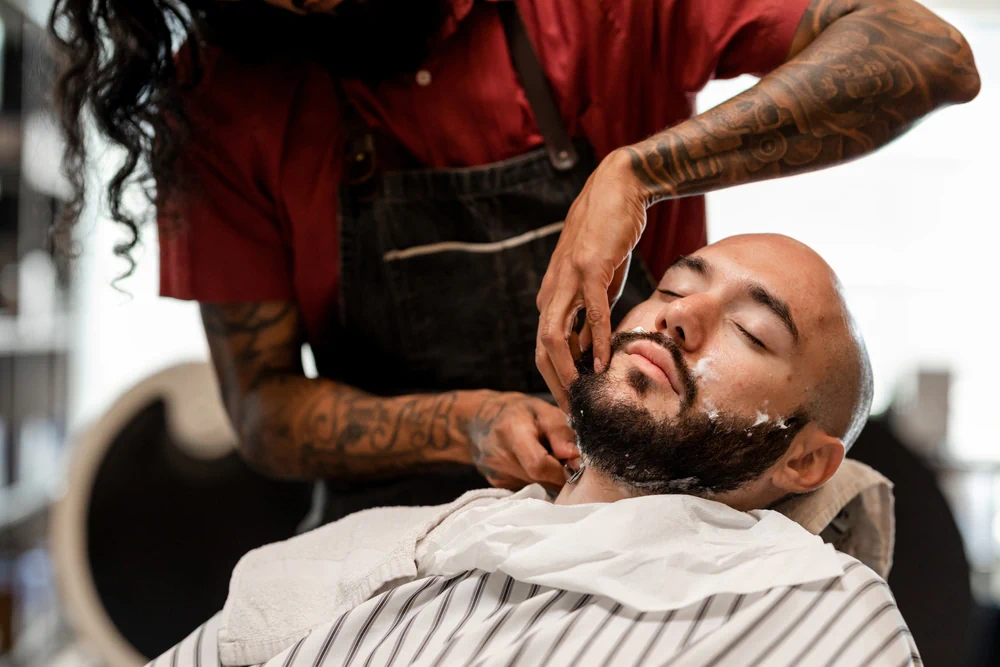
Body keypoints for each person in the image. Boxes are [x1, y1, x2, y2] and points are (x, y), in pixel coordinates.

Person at [49, 0, 979, 524]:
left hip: (660, 514)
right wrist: (468, 423)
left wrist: (643, 171)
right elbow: (260, 408)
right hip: (391, 540)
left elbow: (929, 51)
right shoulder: (224, 93)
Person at [149, 233, 917, 667]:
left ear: (806, 463)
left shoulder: (814, 610)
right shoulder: (410, 548)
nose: (679, 319)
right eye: (675, 286)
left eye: (752, 332)